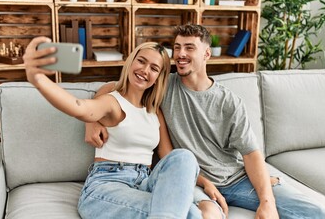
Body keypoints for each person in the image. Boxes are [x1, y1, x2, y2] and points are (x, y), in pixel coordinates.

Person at [85, 24, 325, 219]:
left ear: (206, 54)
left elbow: (251, 154)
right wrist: (92, 121)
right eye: (177, 47)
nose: (180, 54)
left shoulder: (229, 102)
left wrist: (267, 202)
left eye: (189, 48)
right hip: (194, 180)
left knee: (315, 213)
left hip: (235, 179)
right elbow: (113, 87)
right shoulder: (162, 84)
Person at [23, 37, 203, 219]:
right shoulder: (112, 102)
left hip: (146, 183)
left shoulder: (154, 112)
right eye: (141, 61)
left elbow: (168, 156)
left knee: (184, 157)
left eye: (154, 68)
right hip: (108, 185)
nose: (145, 70)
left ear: (158, 78)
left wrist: (205, 183)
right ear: (131, 62)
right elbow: (80, 107)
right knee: (191, 215)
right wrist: (38, 79)